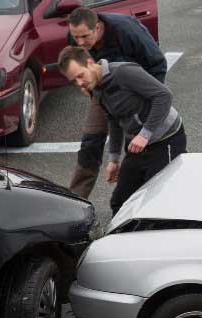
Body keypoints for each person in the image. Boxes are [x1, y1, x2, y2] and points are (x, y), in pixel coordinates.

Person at [58, 46, 186, 214]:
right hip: (138, 145)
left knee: (156, 200)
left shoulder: (123, 72)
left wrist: (144, 134)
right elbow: (114, 119)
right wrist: (114, 159)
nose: (80, 83)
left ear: (90, 63)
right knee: (120, 201)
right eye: (74, 81)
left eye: (80, 76)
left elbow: (164, 96)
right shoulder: (96, 87)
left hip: (166, 139)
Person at [66, 7, 167, 198]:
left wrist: (146, 103)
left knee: (137, 146)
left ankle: (143, 199)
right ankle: (76, 201)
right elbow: (77, 65)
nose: (79, 43)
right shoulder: (75, 37)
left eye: (84, 37)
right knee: (90, 144)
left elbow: (158, 64)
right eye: (75, 37)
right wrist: (89, 90)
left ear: (97, 27)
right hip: (101, 92)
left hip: (136, 91)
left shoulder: (126, 31)